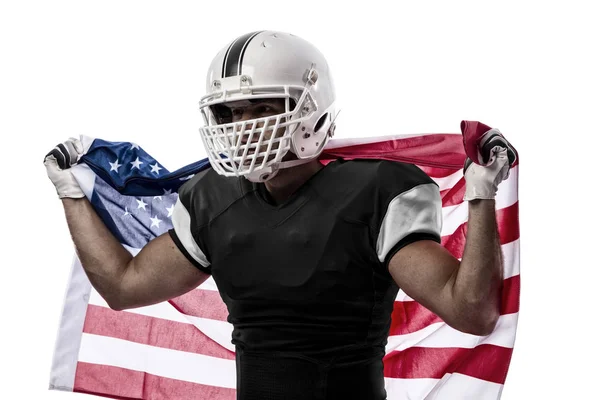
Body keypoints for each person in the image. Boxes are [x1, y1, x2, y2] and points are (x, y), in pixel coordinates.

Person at [44, 31, 513, 400]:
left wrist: (480, 197)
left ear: (310, 111)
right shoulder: (212, 199)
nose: (243, 127)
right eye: (229, 113)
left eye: (262, 108)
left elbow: (471, 312)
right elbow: (123, 287)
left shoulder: (373, 193)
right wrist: (72, 195)